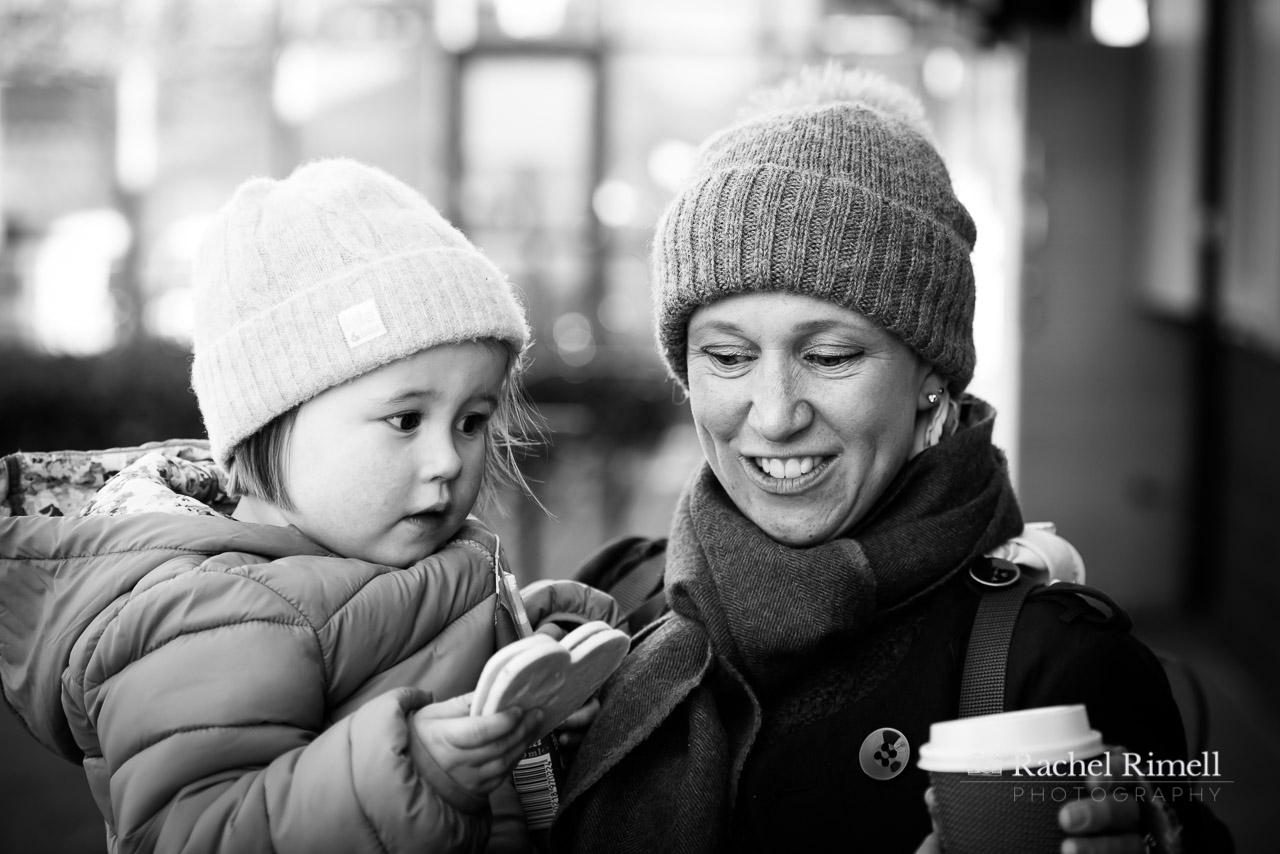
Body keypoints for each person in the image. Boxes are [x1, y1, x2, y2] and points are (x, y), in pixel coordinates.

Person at [549, 67, 1232, 853]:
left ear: (931, 376)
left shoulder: (1052, 673)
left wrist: (1162, 837)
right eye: (729, 357)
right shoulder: (617, 612)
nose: (773, 415)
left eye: (832, 355)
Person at [0, 158, 617, 853]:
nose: (448, 459)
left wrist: (533, 654)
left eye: (472, 420)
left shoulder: (381, 548)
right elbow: (198, 832)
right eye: (406, 420)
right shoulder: (209, 614)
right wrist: (413, 770)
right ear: (269, 423)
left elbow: (418, 646)